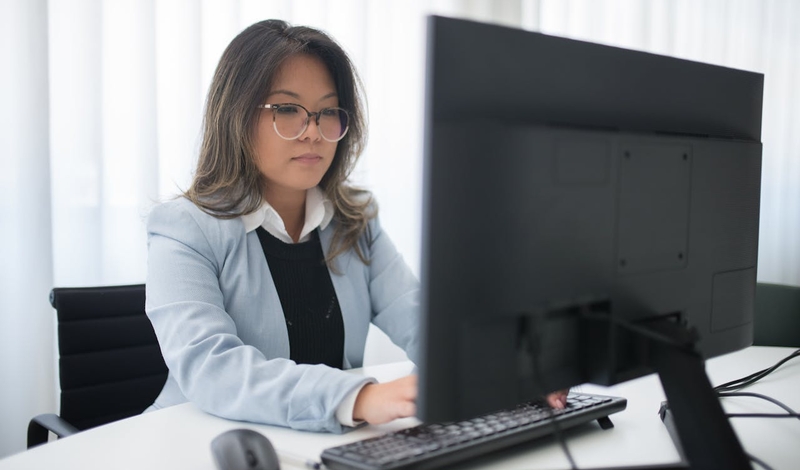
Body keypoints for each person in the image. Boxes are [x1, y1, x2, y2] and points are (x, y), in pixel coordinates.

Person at [145, 19, 566, 434]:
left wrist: (507, 369)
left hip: (313, 446)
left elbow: (419, 316)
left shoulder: (354, 221)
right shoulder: (185, 228)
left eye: (328, 112)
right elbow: (210, 367)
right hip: (197, 444)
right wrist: (358, 398)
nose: (313, 132)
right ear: (235, 116)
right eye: (287, 110)